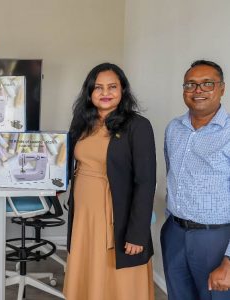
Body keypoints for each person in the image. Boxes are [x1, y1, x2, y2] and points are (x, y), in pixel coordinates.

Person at [63, 63, 156, 300]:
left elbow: (145, 182)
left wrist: (138, 233)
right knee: (87, 271)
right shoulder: (82, 122)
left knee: (118, 280)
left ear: (123, 90)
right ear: (89, 92)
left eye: (112, 87)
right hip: (84, 216)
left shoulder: (138, 126)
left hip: (116, 216)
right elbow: (68, 162)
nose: (105, 93)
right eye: (98, 88)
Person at [162, 60, 230, 300]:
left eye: (207, 84)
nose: (198, 90)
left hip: (216, 239)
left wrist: (229, 259)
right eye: (190, 84)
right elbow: (172, 174)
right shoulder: (173, 129)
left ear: (222, 88)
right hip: (174, 233)